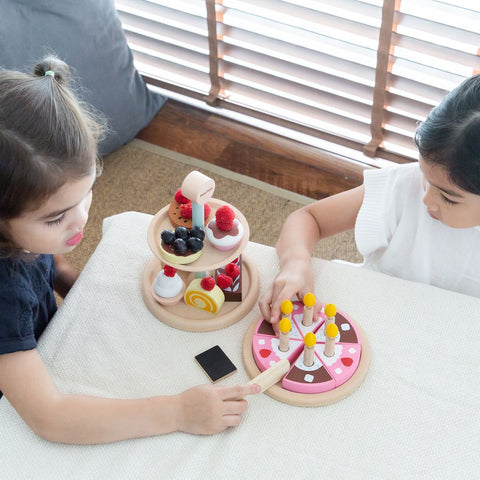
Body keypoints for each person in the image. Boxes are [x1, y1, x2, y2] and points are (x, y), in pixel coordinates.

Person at [0, 56, 259, 444]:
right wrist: (176, 411)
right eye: (56, 219)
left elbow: (44, 262)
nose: (80, 222)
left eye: (87, 194)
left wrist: (78, 286)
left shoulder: (24, 238)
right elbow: (50, 418)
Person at [260, 73, 480, 329]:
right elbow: (308, 218)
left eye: (448, 197)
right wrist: (295, 263)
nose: (426, 199)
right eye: (425, 175)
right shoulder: (402, 186)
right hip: (366, 316)